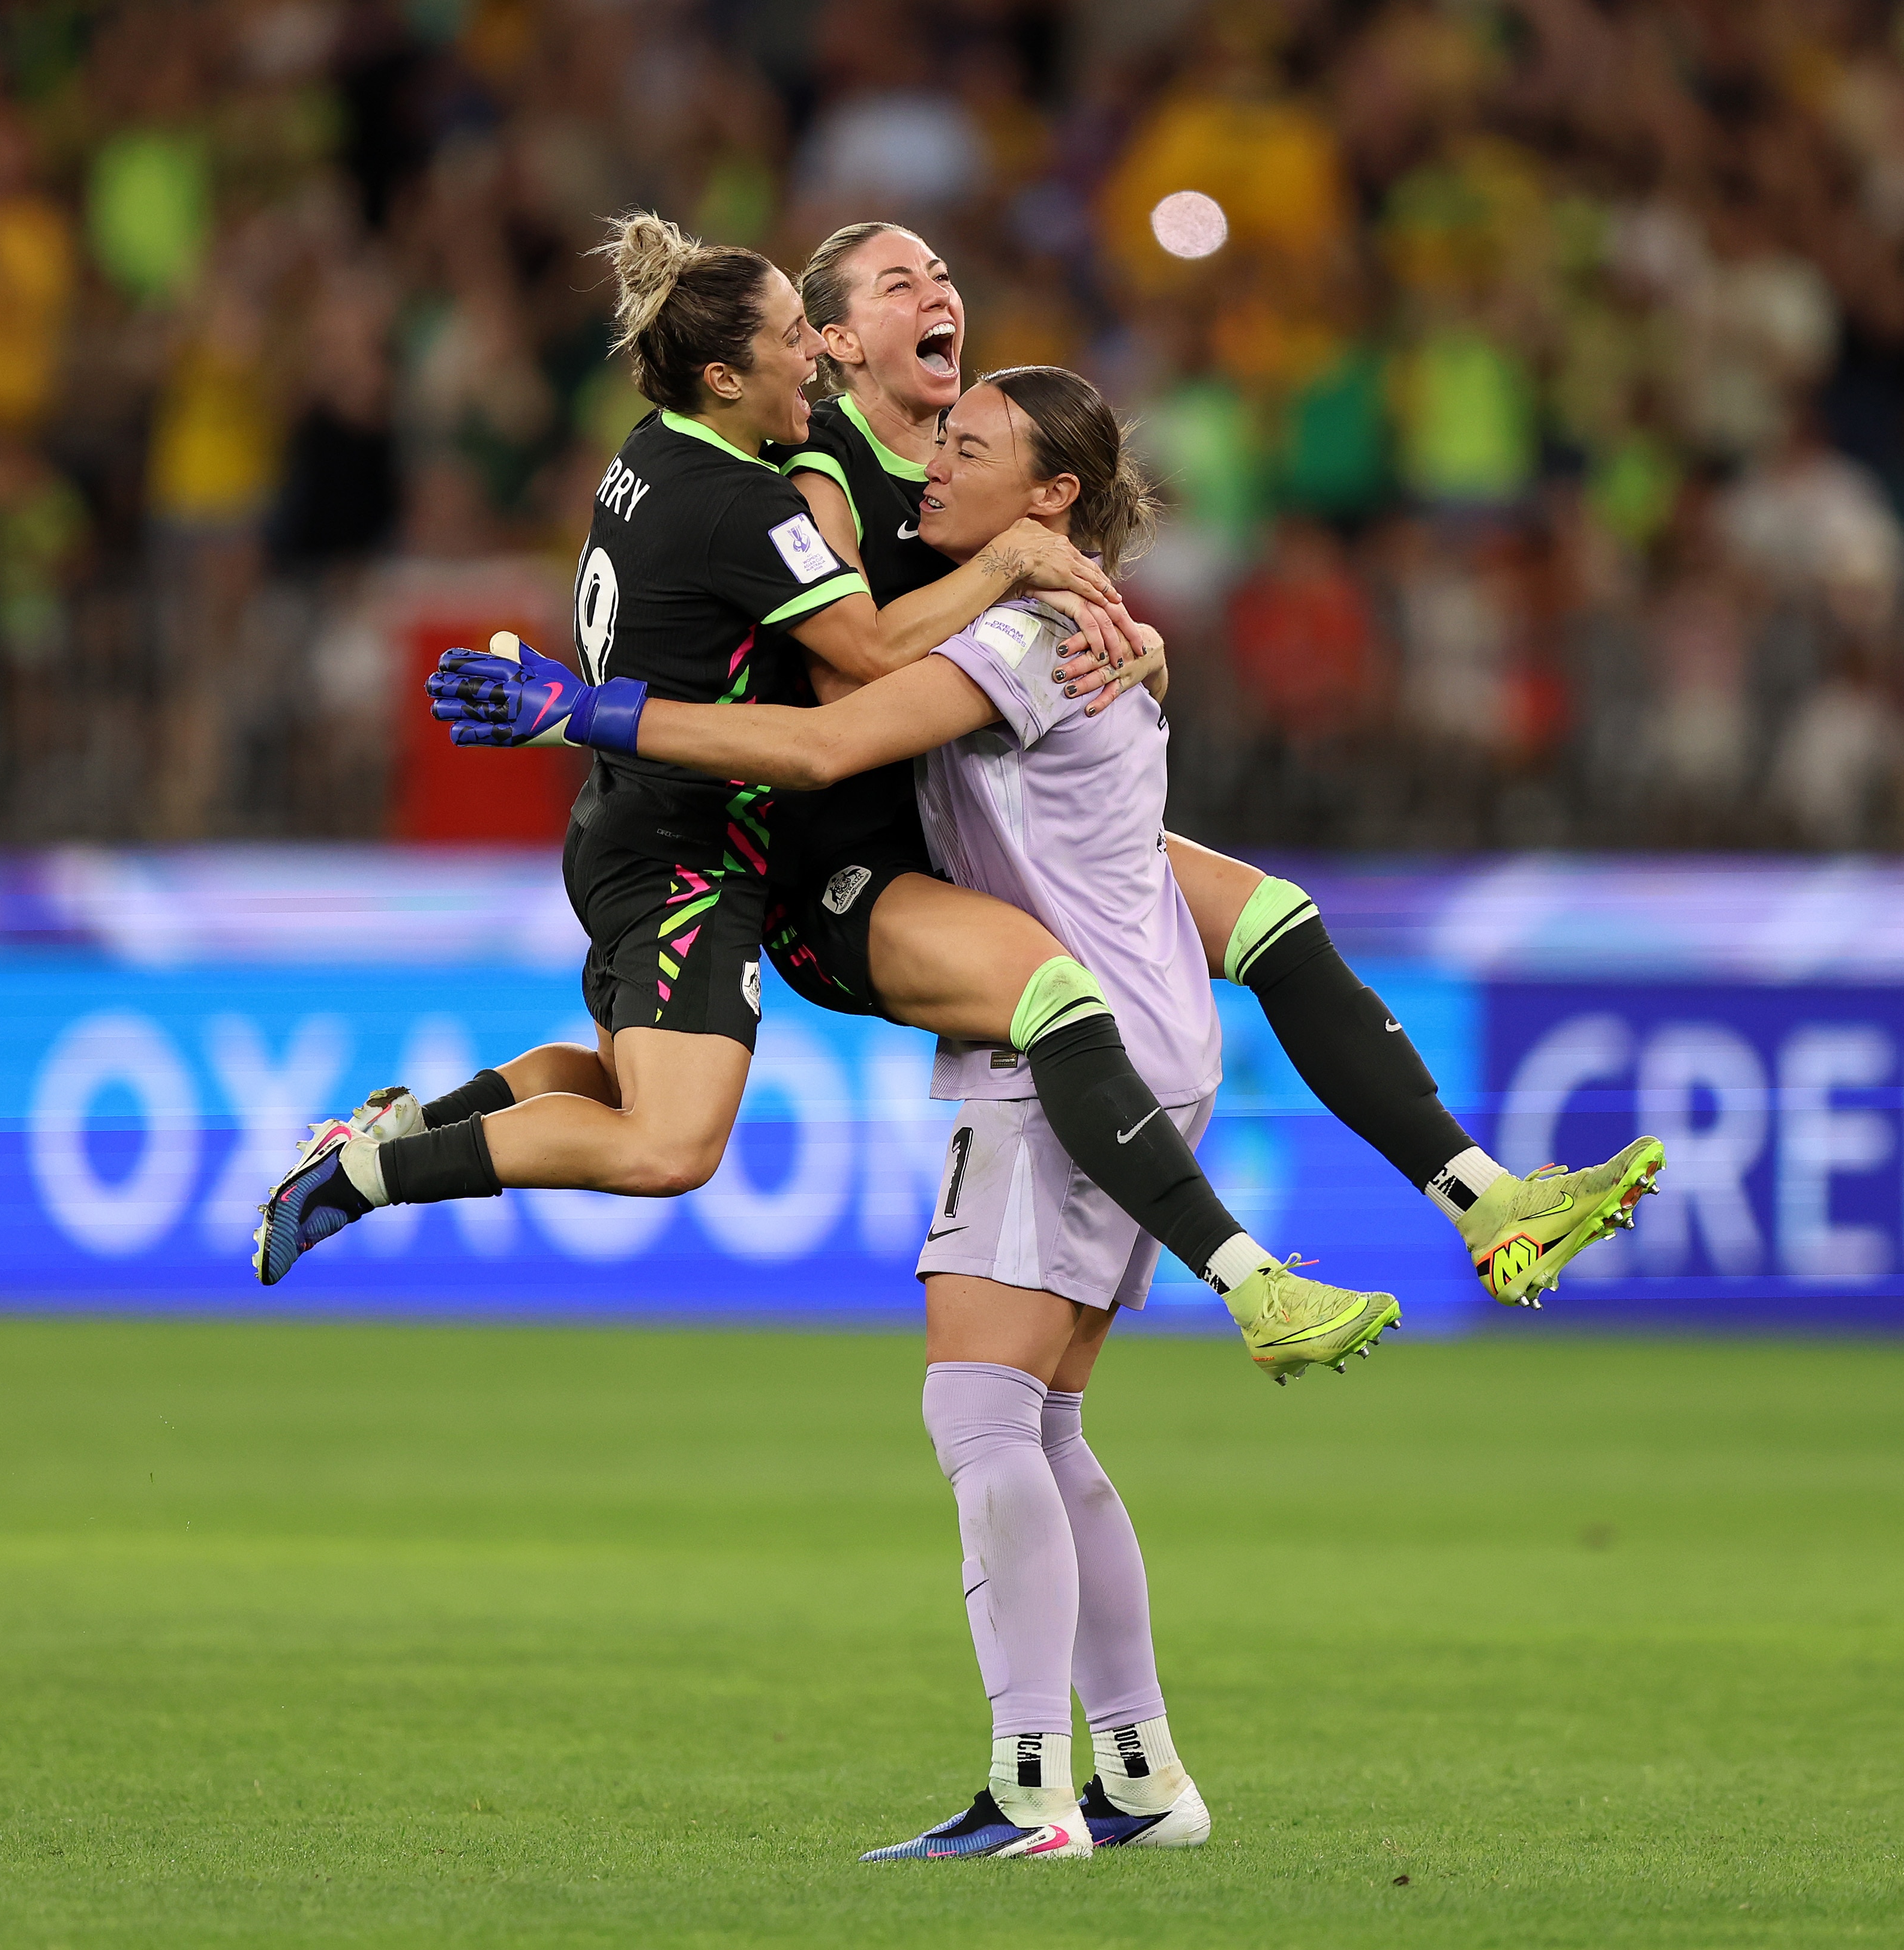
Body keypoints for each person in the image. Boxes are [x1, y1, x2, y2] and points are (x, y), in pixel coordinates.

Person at [436, 366, 1408, 1855]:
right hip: (1123, 1020)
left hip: (1057, 1038)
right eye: (933, 434)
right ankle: (1139, 1774)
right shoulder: (1046, 609)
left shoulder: (1017, 626)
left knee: (977, 1409)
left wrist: (598, 713)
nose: (932, 462)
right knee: (1050, 1423)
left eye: (969, 449)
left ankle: (1030, 1788)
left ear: (1051, 497)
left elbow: (827, 739)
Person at [256, 214, 1394, 1381]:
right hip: (694, 849)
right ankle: (363, 1174)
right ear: (724, 374)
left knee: (609, 1081)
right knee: (665, 1144)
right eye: (797, 340)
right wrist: (1007, 565)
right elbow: (863, 653)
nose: (817, 360)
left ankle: (393, 1129)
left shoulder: (646, 455)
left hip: (626, 827)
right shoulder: (749, 507)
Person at [762, 220, 1663, 1303]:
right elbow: (843, 675)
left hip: (984, 809)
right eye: (897, 285)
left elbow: (1050, 649)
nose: (933, 296)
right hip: (868, 855)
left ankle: (1482, 1196)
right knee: (1059, 1018)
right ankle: (1246, 1280)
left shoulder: (971, 458)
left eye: (941, 275)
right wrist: (1009, 579)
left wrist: (1134, 651)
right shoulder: (831, 474)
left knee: (1275, 918)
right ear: (839, 341)